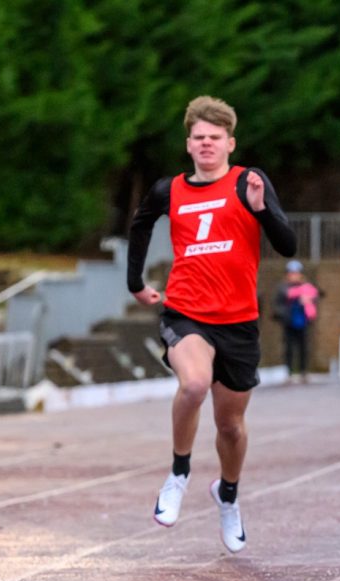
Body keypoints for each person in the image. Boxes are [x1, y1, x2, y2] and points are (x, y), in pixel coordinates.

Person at [126, 95, 296, 553]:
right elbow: (140, 225)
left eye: (214, 137)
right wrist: (135, 283)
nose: (206, 143)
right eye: (198, 137)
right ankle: (178, 473)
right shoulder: (169, 190)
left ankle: (228, 493)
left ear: (229, 143)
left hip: (238, 320)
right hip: (185, 310)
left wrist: (262, 209)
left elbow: (287, 245)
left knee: (230, 426)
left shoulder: (248, 182)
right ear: (188, 144)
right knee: (194, 384)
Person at [273, 259, 319, 384]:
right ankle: (289, 373)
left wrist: (307, 303)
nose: (294, 276)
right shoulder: (282, 288)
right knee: (288, 348)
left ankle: (304, 372)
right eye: (291, 273)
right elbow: (277, 306)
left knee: (304, 348)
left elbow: (315, 300)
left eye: (296, 273)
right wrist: (286, 313)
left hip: (303, 322)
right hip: (289, 323)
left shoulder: (307, 288)